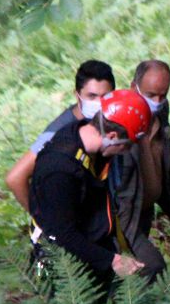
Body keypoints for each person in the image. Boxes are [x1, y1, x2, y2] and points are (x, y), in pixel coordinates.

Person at [29, 89, 150, 299]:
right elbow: (62, 234)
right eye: (126, 146)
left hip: (91, 251)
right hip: (64, 268)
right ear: (112, 136)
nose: (124, 152)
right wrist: (113, 260)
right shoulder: (59, 169)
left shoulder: (84, 140)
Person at [108, 60, 170, 280]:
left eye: (163, 95)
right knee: (151, 266)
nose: (157, 101)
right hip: (124, 214)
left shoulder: (161, 110)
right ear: (133, 86)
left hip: (144, 210)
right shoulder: (119, 117)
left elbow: (166, 149)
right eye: (151, 94)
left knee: (136, 270)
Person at [6, 60, 116, 211]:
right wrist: (42, 218)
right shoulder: (58, 132)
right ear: (77, 96)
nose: (99, 103)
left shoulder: (112, 119)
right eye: (92, 96)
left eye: (105, 96)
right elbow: (15, 178)